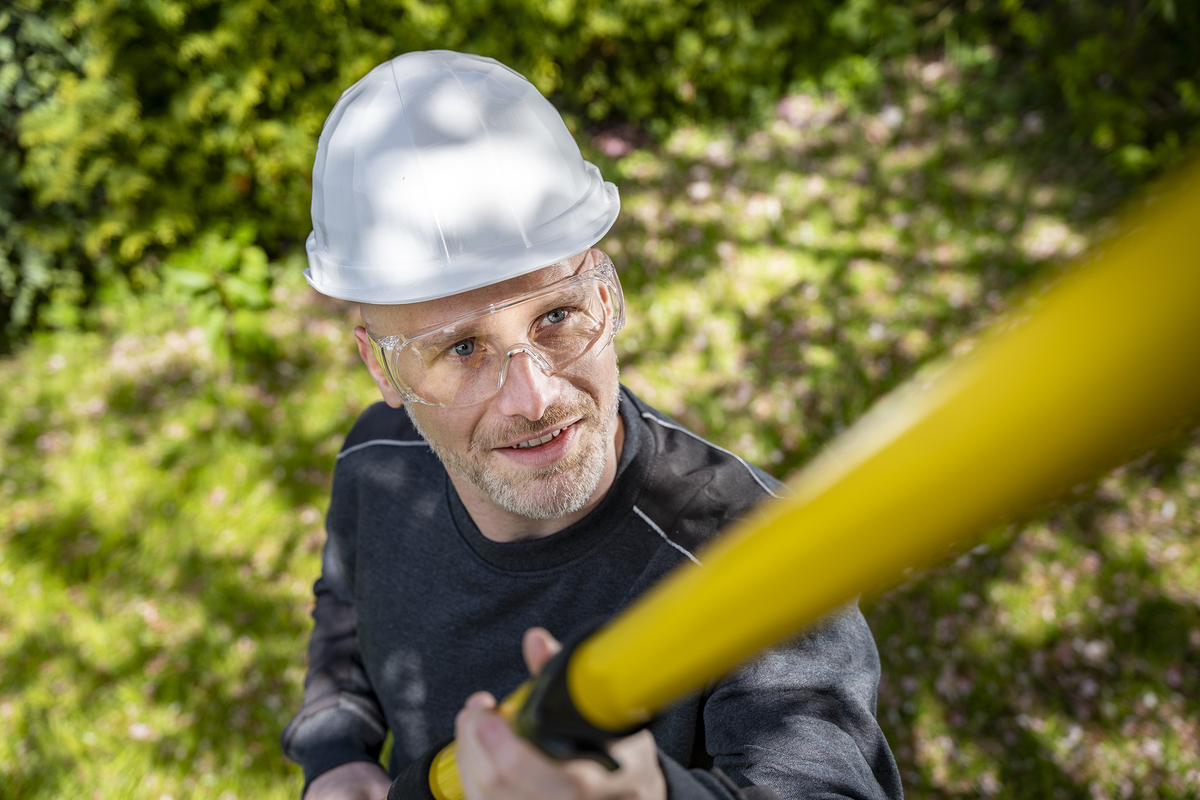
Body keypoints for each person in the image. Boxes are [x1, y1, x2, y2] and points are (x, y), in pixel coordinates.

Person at [281, 50, 903, 800]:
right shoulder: (377, 464)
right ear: (382, 369)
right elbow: (347, 606)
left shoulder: (761, 559)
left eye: (557, 316)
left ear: (607, 296)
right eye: (462, 349)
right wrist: (338, 747)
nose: (532, 397)